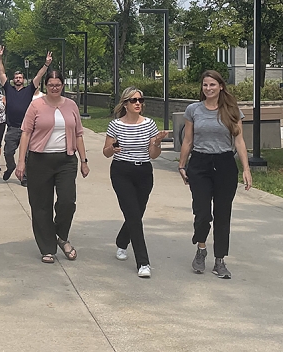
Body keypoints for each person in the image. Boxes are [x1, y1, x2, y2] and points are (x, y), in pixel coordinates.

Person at [178, 70, 252, 279]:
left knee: (222, 214)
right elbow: (188, 140)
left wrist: (246, 169)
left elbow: (239, 141)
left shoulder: (232, 110)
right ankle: (201, 248)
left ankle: (220, 260)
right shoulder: (194, 109)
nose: (208, 89)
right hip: (200, 163)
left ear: (221, 86)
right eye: (205, 85)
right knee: (202, 213)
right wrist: (182, 165)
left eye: (212, 85)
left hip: (225, 164)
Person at [15, 71, 89, 264]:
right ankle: (47, 247)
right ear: (45, 86)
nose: (54, 88)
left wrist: (84, 160)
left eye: (58, 85)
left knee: (67, 201)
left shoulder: (71, 105)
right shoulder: (36, 105)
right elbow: (25, 133)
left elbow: (79, 133)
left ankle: (61, 235)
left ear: (62, 85)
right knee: (41, 206)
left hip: (66, 160)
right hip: (40, 160)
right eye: (51, 85)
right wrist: (21, 161)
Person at [102, 87, 167, 278]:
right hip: (122, 171)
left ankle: (122, 241)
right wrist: (113, 148)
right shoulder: (116, 125)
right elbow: (105, 151)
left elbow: (153, 155)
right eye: (133, 100)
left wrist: (156, 143)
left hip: (144, 172)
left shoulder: (149, 125)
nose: (138, 103)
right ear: (125, 104)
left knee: (136, 214)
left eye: (140, 100)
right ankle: (143, 263)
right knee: (133, 214)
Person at [0, 46, 52, 186]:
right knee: (8, 152)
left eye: (20, 77)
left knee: (28, 155)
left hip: (27, 128)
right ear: (13, 80)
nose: (18, 79)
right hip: (12, 128)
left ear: (23, 79)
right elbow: (1, 72)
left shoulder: (29, 90)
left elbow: (39, 76)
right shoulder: (8, 89)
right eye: (16, 77)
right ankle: (10, 167)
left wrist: (46, 64)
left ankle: (25, 177)